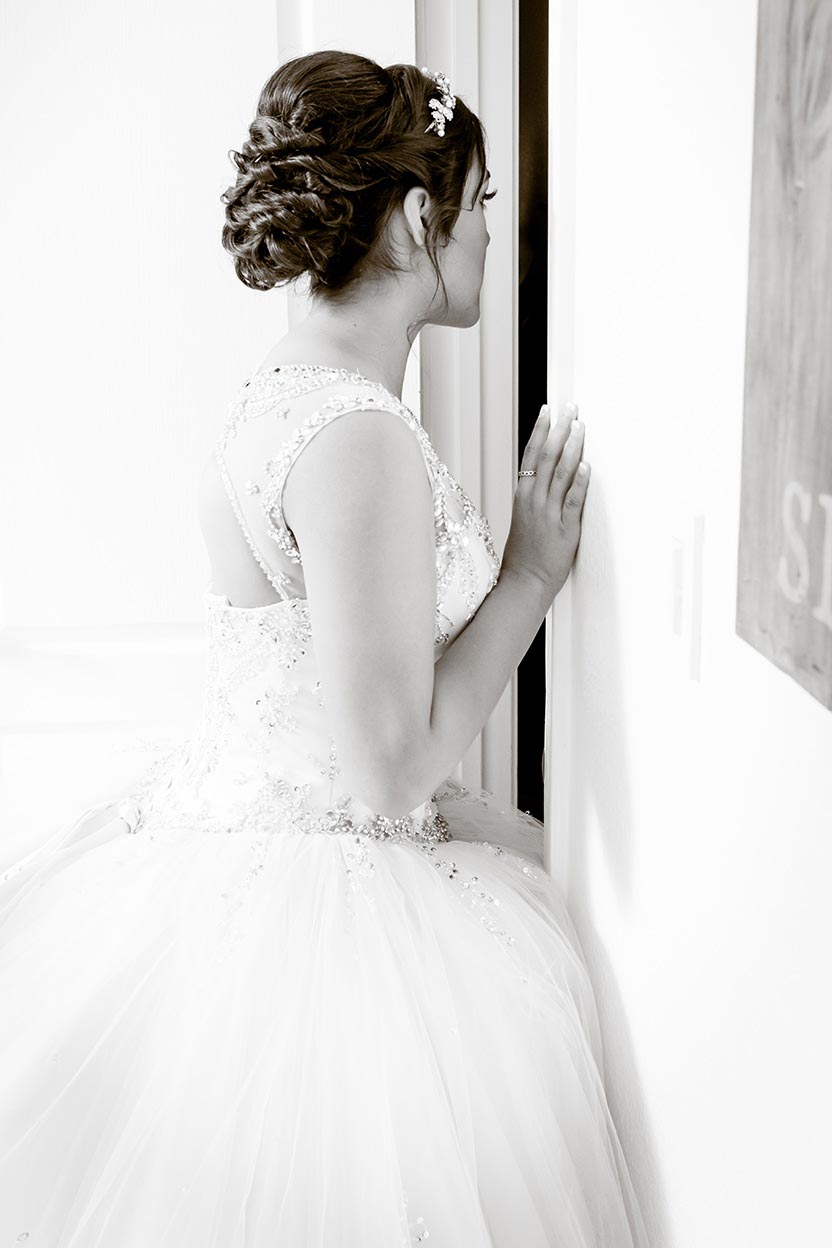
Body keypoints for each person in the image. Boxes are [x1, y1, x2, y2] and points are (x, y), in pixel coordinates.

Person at [0, 50, 649, 1247]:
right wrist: (531, 576)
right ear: (417, 216)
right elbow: (389, 770)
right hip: (319, 918)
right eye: (483, 206)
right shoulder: (354, 434)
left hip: (245, 844)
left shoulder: (289, 392)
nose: (492, 237)